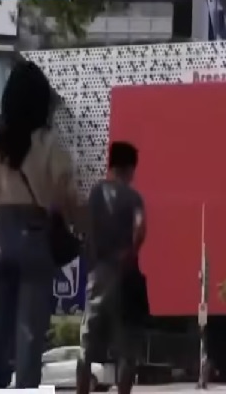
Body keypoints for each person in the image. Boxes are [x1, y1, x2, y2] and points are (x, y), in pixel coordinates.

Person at [0, 60, 84, 388]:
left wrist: (5, 197)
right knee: (29, 335)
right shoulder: (50, 145)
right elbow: (66, 201)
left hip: (0, 241)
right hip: (36, 240)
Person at [77, 142, 147, 394]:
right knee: (127, 349)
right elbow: (140, 227)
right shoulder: (134, 197)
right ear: (129, 168)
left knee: (87, 345)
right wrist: (130, 253)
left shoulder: (96, 193)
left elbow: (85, 227)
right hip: (125, 276)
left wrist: (93, 256)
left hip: (98, 274)